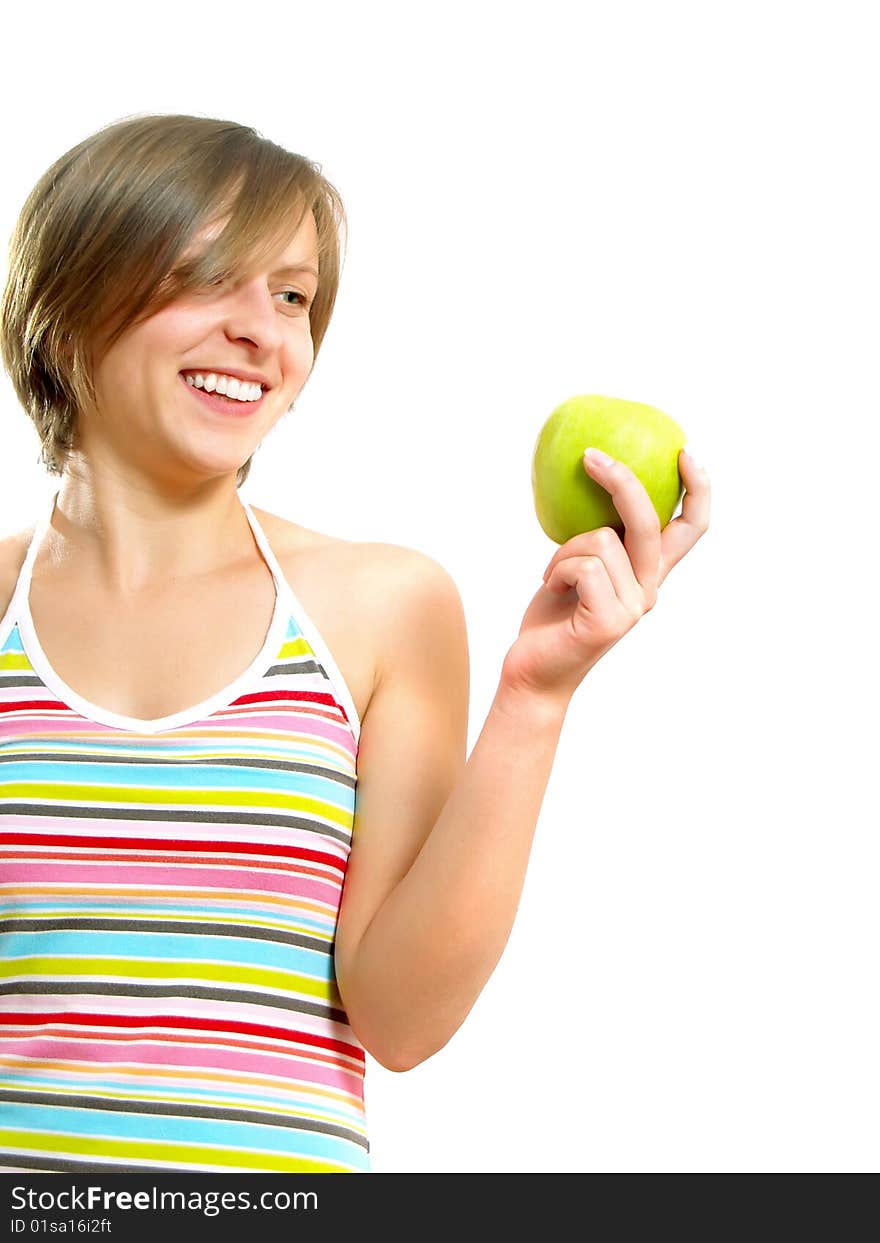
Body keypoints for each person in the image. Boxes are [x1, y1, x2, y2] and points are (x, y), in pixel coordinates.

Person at [0, 113, 710, 1174]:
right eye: (207, 276)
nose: (264, 331)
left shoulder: (382, 606)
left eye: (291, 295)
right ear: (66, 307)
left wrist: (535, 695)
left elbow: (402, 1019)